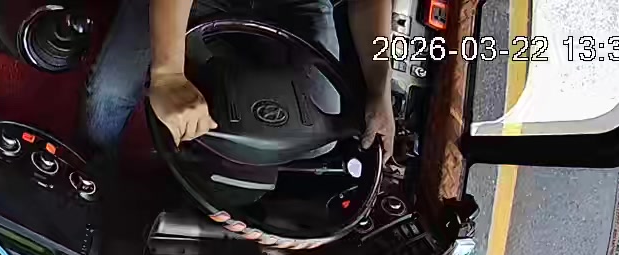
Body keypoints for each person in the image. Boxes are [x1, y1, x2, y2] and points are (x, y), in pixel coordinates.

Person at [80, 0, 395, 158]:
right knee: (111, 91)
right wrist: (168, 74)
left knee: (321, 138)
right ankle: (93, 168)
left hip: (298, 5)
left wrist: (381, 90)